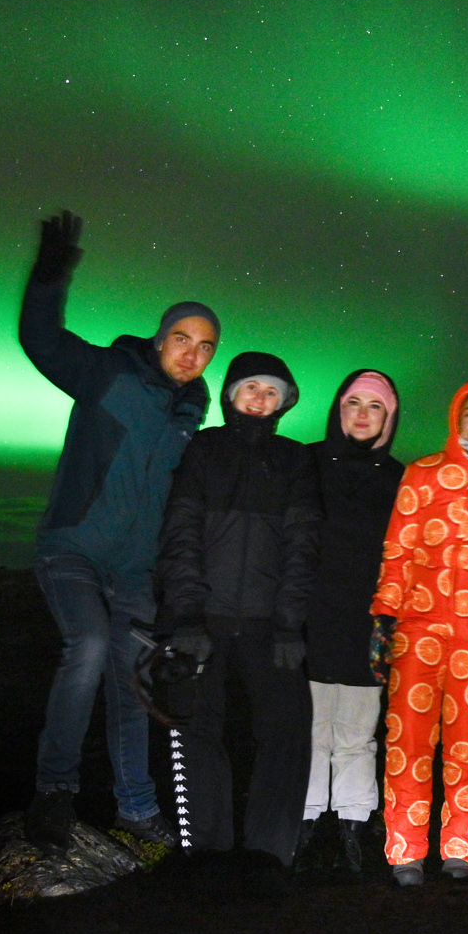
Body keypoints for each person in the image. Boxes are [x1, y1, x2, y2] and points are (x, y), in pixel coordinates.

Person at [17, 209, 214, 852]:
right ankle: (54, 792)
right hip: (72, 548)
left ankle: (136, 807)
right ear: (160, 338)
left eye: (206, 345)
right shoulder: (109, 376)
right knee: (90, 647)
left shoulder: (190, 420)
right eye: (182, 337)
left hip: (135, 572)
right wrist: (52, 271)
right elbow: (42, 339)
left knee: (134, 686)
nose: (193, 352)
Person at [154, 351, 320, 883]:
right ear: (231, 394)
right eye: (251, 387)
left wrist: (291, 624)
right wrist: (185, 616)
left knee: (289, 726)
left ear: (285, 402)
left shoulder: (296, 461)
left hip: (269, 624)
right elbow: (181, 533)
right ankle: (204, 850)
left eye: (272, 391)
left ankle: (269, 854)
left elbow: (301, 546)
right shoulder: (205, 449)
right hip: (202, 619)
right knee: (195, 725)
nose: (260, 398)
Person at [374, 379, 468, 885]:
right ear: (456, 419)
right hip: (420, 625)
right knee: (409, 739)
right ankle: (406, 851)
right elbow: (396, 550)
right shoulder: (422, 474)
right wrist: (383, 616)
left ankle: (462, 846)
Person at [298, 369, 405, 877]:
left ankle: (353, 822)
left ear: (389, 418)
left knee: (359, 731)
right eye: (353, 403)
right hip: (313, 615)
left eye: (375, 406)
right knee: (313, 726)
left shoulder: (398, 477)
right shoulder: (308, 462)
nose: (362, 415)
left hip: (372, 622)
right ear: (339, 408)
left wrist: (393, 618)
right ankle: (307, 819)